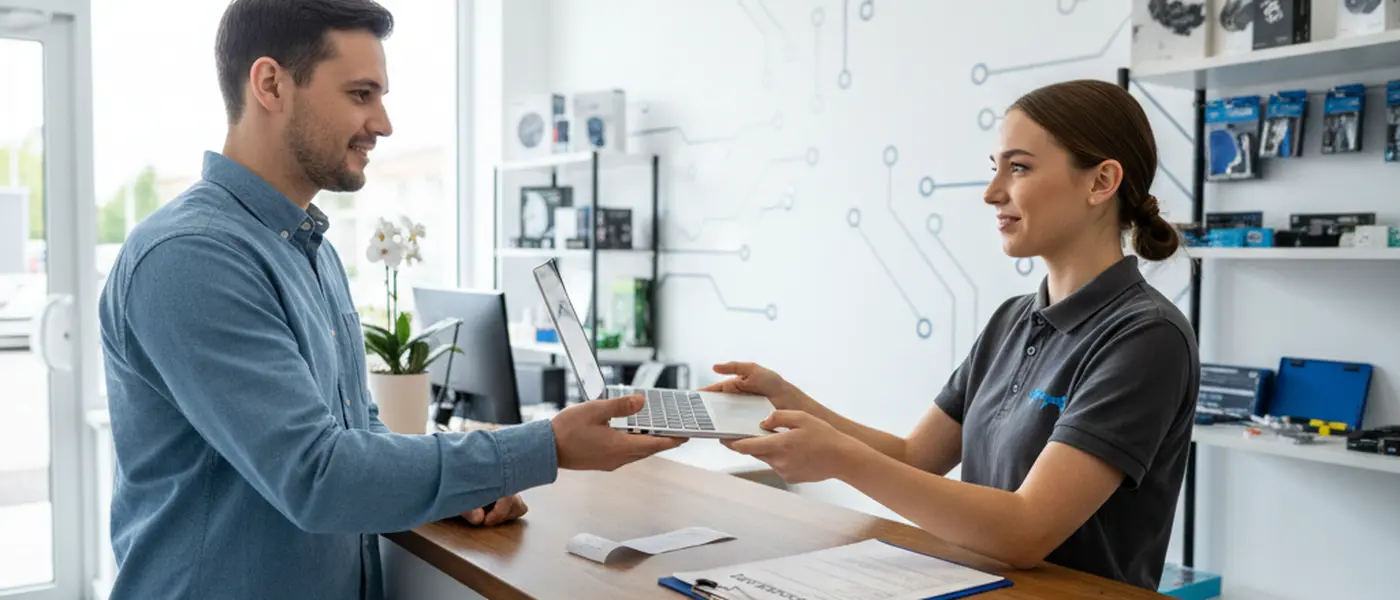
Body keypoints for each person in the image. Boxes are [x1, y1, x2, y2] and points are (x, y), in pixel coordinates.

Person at [96, 1, 682, 599]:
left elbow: (360, 433)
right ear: (271, 84)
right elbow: (317, 476)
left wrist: (462, 483)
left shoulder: (309, 246)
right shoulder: (191, 256)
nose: (384, 123)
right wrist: (543, 446)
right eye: (360, 94)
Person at [708, 79, 1199, 591]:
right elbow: (915, 457)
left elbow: (1025, 531)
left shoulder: (1146, 338)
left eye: (1020, 167)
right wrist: (795, 405)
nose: (992, 193)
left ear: (1101, 182)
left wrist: (839, 459)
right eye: (996, 169)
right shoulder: (1011, 320)